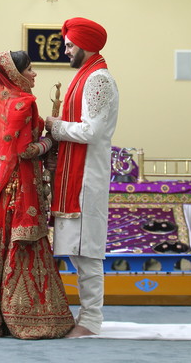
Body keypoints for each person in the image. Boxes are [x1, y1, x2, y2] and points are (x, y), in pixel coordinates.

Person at [0, 50, 74, 339]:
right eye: (30, 70)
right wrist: (49, 140)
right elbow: (24, 151)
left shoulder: (3, 102)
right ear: (17, 75)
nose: (34, 74)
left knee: (0, 243)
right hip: (23, 187)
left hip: (8, 188)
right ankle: (31, 316)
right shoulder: (25, 102)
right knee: (24, 241)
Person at [45, 17, 119, 338]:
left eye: (70, 45)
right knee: (77, 251)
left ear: (86, 46)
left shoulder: (98, 79)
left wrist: (54, 126)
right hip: (77, 175)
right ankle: (84, 318)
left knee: (87, 252)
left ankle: (91, 322)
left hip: (87, 178)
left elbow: (92, 131)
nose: (66, 50)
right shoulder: (84, 78)